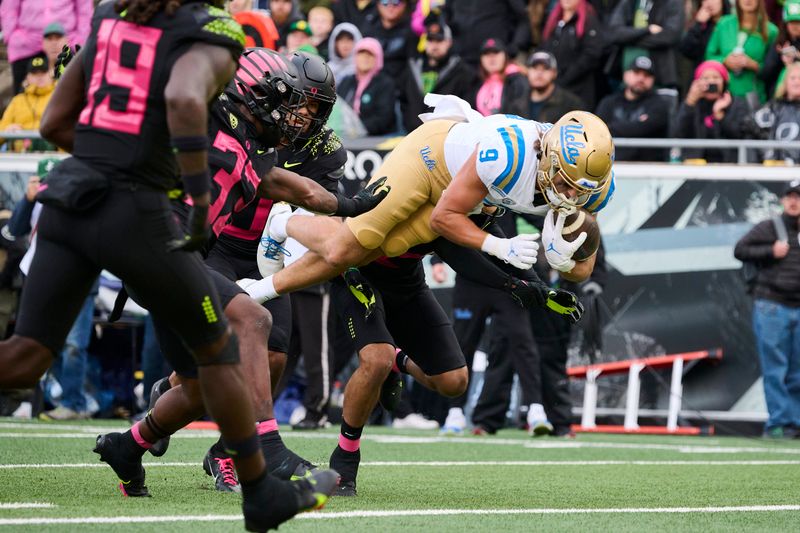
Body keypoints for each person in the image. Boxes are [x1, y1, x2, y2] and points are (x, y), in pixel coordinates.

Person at [0, 3, 336, 530]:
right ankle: (262, 485)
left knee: (22, 358)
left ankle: (131, 445)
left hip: (73, 194)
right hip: (138, 214)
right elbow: (182, 96)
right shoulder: (210, 31)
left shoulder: (109, 16)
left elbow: (53, 123)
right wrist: (196, 201)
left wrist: (106, 157)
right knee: (238, 333)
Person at [124, 49, 380, 493]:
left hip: (270, 249)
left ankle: (226, 452)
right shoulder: (248, 118)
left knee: (274, 352)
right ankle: (166, 400)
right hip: (221, 243)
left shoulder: (325, 149)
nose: (306, 115)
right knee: (208, 365)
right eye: (303, 102)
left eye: (318, 108)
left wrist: (340, 224)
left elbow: (307, 203)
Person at [247, 97, 616, 318]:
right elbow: (444, 217)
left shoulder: (590, 191)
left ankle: (262, 289)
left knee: (376, 251)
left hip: (470, 197)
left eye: (579, 189)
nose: (569, 195)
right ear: (549, 155)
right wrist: (498, 246)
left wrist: (566, 261)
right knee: (350, 245)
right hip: (430, 159)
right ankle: (284, 222)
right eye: (565, 181)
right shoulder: (507, 154)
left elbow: (581, 268)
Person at [734, 179, 800, 439]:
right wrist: (770, 250)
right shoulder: (770, 227)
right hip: (772, 306)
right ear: (783, 200)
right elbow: (740, 249)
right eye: (790, 196)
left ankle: (794, 424)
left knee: (797, 371)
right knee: (776, 369)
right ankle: (778, 424)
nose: (794, 201)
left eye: (798, 196)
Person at [398, 17, 479, 132]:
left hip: (447, 134)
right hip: (414, 133)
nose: (434, 45)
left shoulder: (462, 71)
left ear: (449, 42)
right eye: (430, 40)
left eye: (439, 40)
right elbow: (403, 100)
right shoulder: (412, 69)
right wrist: (409, 122)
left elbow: (467, 105)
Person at [0, 0, 92, 94]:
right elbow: (9, 7)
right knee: (22, 97)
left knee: (69, 95)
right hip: (25, 46)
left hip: (66, 43)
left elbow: (84, 9)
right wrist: (12, 36)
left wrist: (80, 39)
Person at [673, 59, 756, 162]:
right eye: (705, 78)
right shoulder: (692, 104)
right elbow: (679, 132)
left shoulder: (737, 103)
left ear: (724, 81)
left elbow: (741, 134)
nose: (711, 82)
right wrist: (690, 102)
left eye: (716, 77)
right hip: (696, 165)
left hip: (729, 164)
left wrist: (720, 116)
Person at [595, 55, 670, 161]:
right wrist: (637, 124)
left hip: (648, 168)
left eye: (647, 75)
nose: (641, 78)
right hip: (611, 165)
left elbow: (643, 129)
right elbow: (597, 131)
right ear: (625, 75)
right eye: (636, 73)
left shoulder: (659, 104)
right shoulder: (609, 102)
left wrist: (611, 127)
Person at [705, 0, 778, 104]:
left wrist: (753, 65)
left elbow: (774, 69)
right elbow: (709, 56)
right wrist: (725, 61)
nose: (747, 0)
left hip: (753, 95)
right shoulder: (724, 23)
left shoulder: (771, 31)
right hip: (723, 94)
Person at [540, 0, 604, 109]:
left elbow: (592, 54)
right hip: (553, 86)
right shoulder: (554, 20)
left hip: (578, 88)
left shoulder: (588, 20)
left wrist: (566, 76)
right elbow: (545, 48)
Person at [607, 0, 685, 89]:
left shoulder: (672, 2)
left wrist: (629, 39)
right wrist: (647, 30)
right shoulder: (628, 2)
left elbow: (670, 36)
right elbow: (614, 33)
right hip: (623, 75)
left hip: (659, 76)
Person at [336, 37, 397, 135]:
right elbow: (337, 108)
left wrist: (358, 129)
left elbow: (384, 118)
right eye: (361, 53)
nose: (365, 58)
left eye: (370, 54)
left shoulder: (385, 83)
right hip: (345, 136)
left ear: (378, 58)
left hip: (376, 139)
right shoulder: (346, 81)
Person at [442, 0, 531, 67]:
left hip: (493, 61)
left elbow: (523, 20)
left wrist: (515, 46)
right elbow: (445, 12)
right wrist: (447, 27)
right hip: (460, 59)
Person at [0, 56, 55, 153]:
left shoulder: (59, 97)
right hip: (20, 155)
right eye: (35, 73)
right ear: (28, 77)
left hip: (51, 154)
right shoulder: (17, 101)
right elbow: (2, 126)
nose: (39, 77)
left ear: (49, 74)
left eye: (43, 72)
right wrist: (7, 128)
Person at [524, 50, 586, 124]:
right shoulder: (516, 101)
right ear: (527, 71)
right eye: (535, 68)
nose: (539, 73)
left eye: (545, 68)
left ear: (554, 73)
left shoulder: (572, 105)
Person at [755, 62, 800, 163]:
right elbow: (748, 129)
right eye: (793, 78)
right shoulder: (773, 108)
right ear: (785, 83)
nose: (797, 82)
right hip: (778, 170)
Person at [475, 38, 529, 117]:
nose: (492, 57)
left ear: (505, 56)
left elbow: (519, 112)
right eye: (486, 54)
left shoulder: (517, 80)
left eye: (496, 52)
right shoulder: (476, 82)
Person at [362, 0, 416, 79]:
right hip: (372, 84)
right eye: (385, 2)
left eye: (396, 2)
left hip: (399, 85)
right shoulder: (368, 30)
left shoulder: (411, 32)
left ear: (404, 4)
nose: (390, 7)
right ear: (378, 5)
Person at [760, 0, 800, 97]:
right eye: (791, 22)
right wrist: (779, 57)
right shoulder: (779, 43)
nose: (795, 26)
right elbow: (765, 74)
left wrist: (797, 58)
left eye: (798, 22)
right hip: (779, 99)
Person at [679, 0, 729, 75]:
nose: (709, 3)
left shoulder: (732, 24)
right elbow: (686, 50)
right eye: (705, 0)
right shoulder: (702, 27)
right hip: (703, 75)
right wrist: (698, 24)